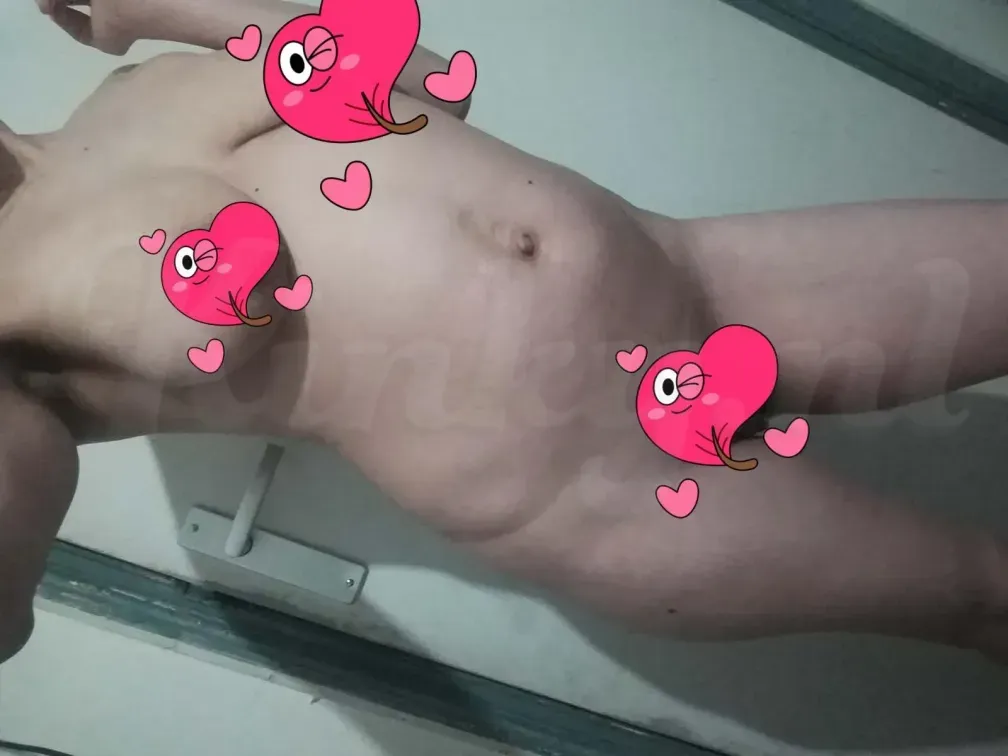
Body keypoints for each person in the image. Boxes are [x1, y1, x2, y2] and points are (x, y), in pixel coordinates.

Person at [2, 0, 1007, 664]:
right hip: (597, 483)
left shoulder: (128, 99)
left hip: (699, 275)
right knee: (989, 593)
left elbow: (421, 78)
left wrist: (154, 9)